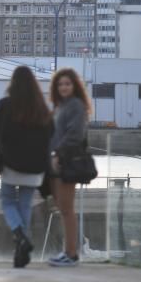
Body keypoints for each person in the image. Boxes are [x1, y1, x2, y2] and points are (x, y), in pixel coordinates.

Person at [0, 66, 53, 268]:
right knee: (24, 205)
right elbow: (51, 133)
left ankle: (20, 236)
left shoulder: (6, 104)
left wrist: (6, 140)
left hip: (11, 164)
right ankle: (21, 254)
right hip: (35, 168)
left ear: (13, 83)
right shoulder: (41, 108)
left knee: (7, 201)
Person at [47, 67, 92, 268]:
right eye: (60, 84)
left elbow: (75, 134)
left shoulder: (75, 105)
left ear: (74, 86)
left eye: (67, 83)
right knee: (63, 208)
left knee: (67, 209)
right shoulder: (61, 106)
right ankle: (68, 251)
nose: (63, 87)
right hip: (57, 163)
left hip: (66, 162)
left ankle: (71, 254)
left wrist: (57, 154)